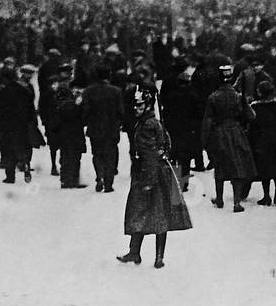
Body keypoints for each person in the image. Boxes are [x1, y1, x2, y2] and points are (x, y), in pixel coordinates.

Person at [118, 90, 192, 268]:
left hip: (149, 173)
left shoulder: (146, 126)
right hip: (161, 172)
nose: (136, 108)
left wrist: (148, 182)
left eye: (140, 105)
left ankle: (138, 253)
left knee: (142, 213)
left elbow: (150, 155)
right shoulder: (153, 122)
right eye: (135, 105)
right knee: (159, 214)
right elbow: (167, 143)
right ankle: (149, 255)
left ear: (148, 106)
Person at [202, 64, 257, 212]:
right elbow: (250, 116)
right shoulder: (238, 96)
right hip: (236, 132)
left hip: (219, 134)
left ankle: (219, 199)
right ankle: (237, 202)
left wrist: (205, 141)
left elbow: (207, 120)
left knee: (220, 165)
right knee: (237, 166)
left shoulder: (213, 97)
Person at [0, 66, 38, 184]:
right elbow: (31, 106)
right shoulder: (27, 89)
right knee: (25, 145)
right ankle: (26, 164)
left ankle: (10, 176)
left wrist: (1, 120)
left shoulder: (4, 90)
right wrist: (32, 121)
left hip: (8, 124)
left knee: (8, 149)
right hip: (24, 123)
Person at [82, 65, 123, 193]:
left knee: (97, 154)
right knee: (110, 155)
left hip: (94, 128)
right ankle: (108, 182)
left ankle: (99, 176)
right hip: (111, 129)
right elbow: (120, 111)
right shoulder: (116, 91)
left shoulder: (89, 91)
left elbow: (85, 111)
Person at [248, 81, 276, 206]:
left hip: (262, 140)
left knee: (264, 168)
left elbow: (253, 125)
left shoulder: (255, 106)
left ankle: (266, 195)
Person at [161, 71, 204, 191]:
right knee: (186, 158)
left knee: (175, 156)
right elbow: (199, 114)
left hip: (175, 130)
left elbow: (166, 114)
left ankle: (176, 180)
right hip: (189, 130)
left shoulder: (171, 96)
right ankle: (184, 183)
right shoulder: (194, 96)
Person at [52, 66, 88, 189]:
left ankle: (72, 178)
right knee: (68, 154)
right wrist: (76, 104)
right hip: (67, 128)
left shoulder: (65, 90)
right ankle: (68, 179)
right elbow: (63, 110)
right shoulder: (61, 91)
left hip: (73, 128)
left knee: (74, 154)